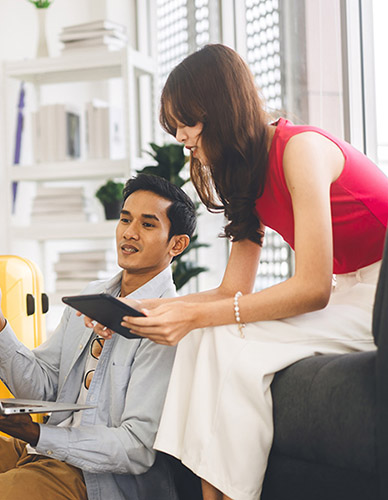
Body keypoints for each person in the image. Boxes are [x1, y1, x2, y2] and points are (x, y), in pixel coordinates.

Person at [95, 44, 388, 500]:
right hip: (352, 287)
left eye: (185, 123)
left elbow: (313, 289)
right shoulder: (245, 173)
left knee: (225, 343)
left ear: (218, 109)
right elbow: (234, 289)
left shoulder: (301, 150)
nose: (180, 137)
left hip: (381, 291)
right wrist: (147, 307)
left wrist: (193, 316)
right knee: (206, 338)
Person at [0, 174, 197, 500]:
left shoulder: (168, 324)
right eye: (125, 219)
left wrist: (38, 432)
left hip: (93, 482)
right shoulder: (92, 295)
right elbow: (43, 386)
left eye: (147, 225)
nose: (129, 232)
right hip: (37, 450)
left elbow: (136, 448)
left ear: (176, 244)